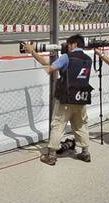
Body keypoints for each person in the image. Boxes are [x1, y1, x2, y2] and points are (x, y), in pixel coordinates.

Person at [26, 34, 96, 164]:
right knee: (80, 125)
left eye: (68, 45)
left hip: (66, 97)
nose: (67, 47)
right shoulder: (88, 59)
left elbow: (48, 67)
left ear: (74, 44)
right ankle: (85, 152)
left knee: (58, 125)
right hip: (82, 97)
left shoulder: (66, 57)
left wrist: (32, 52)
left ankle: (51, 155)